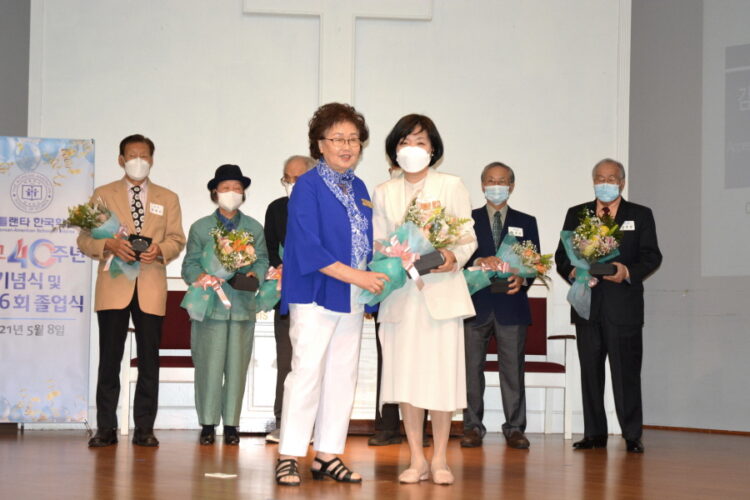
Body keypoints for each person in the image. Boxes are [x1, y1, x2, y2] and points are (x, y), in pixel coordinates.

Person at [275, 103, 388, 486]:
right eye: (338, 138)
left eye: (353, 139)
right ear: (319, 144)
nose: (347, 146)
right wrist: (358, 275)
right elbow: (307, 246)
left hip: (351, 296)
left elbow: (367, 242)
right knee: (306, 372)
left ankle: (327, 454)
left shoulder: (358, 187)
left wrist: (378, 273)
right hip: (314, 292)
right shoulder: (307, 185)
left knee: (343, 374)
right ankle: (290, 453)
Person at [373, 114, 477, 485]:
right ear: (394, 150)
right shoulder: (385, 191)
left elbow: (467, 237)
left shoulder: (451, 185)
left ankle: (440, 459)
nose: (412, 149)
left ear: (433, 148)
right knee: (407, 379)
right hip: (403, 295)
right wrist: (394, 255)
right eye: (404, 142)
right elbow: (378, 242)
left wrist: (452, 257)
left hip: (441, 294)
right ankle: (416, 457)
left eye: (419, 141)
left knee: (441, 379)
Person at [78, 134, 186, 447]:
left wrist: (161, 251)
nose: (138, 160)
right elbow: (84, 240)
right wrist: (107, 244)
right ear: (121, 160)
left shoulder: (168, 197)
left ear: (151, 159)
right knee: (109, 360)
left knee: (149, 359)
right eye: (132, 155)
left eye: (144, 155)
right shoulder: (103, 194)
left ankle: (144, 429)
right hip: (114, 284)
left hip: (150, 285)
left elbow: (176, 238)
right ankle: (106, 428)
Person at [554, 158, 662, 454]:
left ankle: (631, 434)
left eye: (611, 178)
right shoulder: (576, 214)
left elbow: (652, 256)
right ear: (593, 181)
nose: (605, 182)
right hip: (587, 306)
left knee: (626, 373)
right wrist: (573, 271)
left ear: (622, 182)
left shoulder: (639, 215)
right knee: (590, 372)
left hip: (623, 308)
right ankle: (594, 434)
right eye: (599, 177)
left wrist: (625, 272)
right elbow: (561, 257)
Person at [181, 164, 269, 446]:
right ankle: (207, 424)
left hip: (242, 306)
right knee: (208, 366)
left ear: (244, 193)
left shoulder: (254, 228)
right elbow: (189, 264)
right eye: (226, 188)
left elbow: (263, 260)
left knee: (237, 367)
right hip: (209, 307)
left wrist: (257, 273)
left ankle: (232, 424)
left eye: (237, 188)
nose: (232, 193)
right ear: (214, 192)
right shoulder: (201, 228)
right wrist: (202, 276)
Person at [461, 162, 539, 450]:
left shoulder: (526, 221)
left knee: (513, 369)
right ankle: (471, 426)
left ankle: (515, 428)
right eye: (491, 180)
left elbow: (533, 264)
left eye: (502, 181)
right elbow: (458, 261)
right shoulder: (467, 221)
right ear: (482, 185)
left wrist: (523, 278)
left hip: (511, 304)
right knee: (470, 369)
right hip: (476, 305)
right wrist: (478, 262)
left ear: (512, 186)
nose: (496, 185)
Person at [263, 155, 315, 444]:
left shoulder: (323, 207)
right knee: (286, 360)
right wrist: (279, 268)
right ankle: (284, 421)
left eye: (298, 178)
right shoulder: (276, 209)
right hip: (284, 296)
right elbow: (268, 248)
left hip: (317, 297)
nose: (291, 184)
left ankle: (315, 426)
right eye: (287, 178)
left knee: (314, 362)